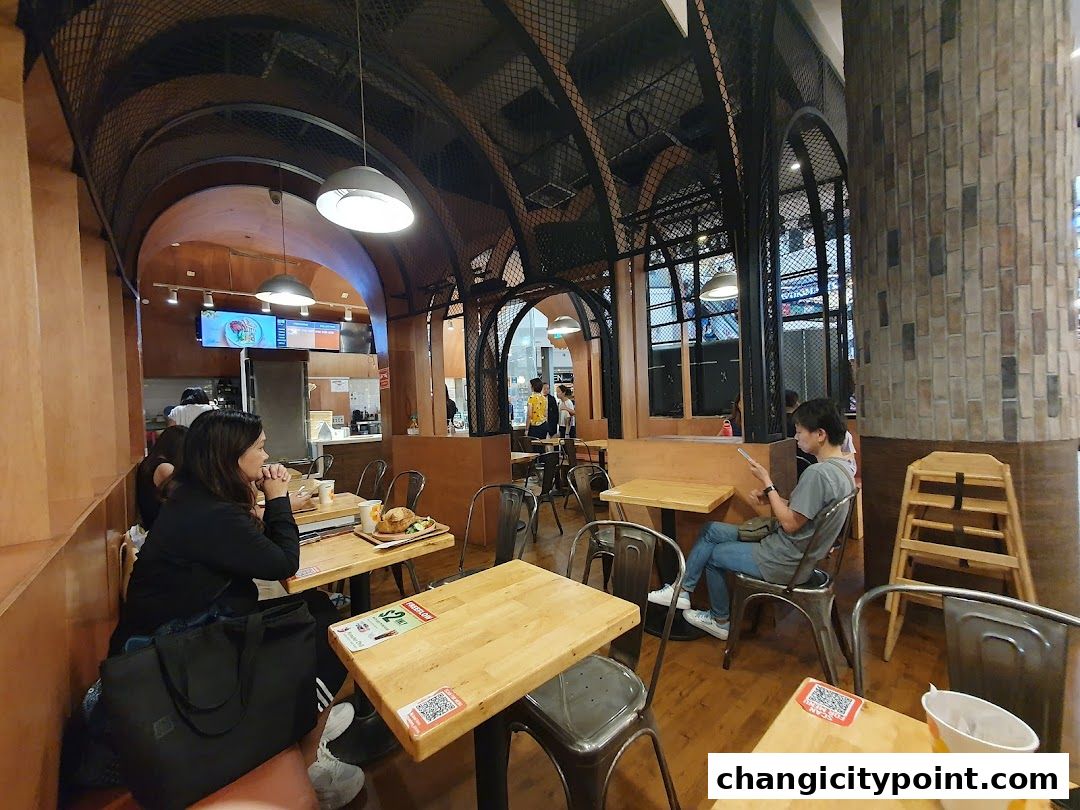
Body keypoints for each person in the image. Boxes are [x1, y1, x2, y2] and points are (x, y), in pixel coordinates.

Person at [110, 410, 363, 808]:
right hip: (177, 653)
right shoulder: (210, 513)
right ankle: (310, 758)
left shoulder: (196, 499)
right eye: (260, 447)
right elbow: (282, 563)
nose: (266, 456)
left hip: (182, 633)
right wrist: (277, 499)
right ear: (231, 455)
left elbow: (256, 551)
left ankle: (306, 715)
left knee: (313, 607)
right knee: (330, 632)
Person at [648, 398, 855, 640]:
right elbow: (806, 513)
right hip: (800, 555)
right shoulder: (843, 471)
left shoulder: (818, 474)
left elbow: (790, 524)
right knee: (710, 530)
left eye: (799, 432)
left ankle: (719, 620)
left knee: (713, 556)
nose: (796, 438)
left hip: (785, 560)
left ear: (820, 434)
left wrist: (767, 483)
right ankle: (682, 592)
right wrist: (772, 497)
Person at [136, 425, 187, 531]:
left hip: (151, 522)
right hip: (159, 525)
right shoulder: (165, 468)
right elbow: (185, 496)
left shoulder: (150, 461)